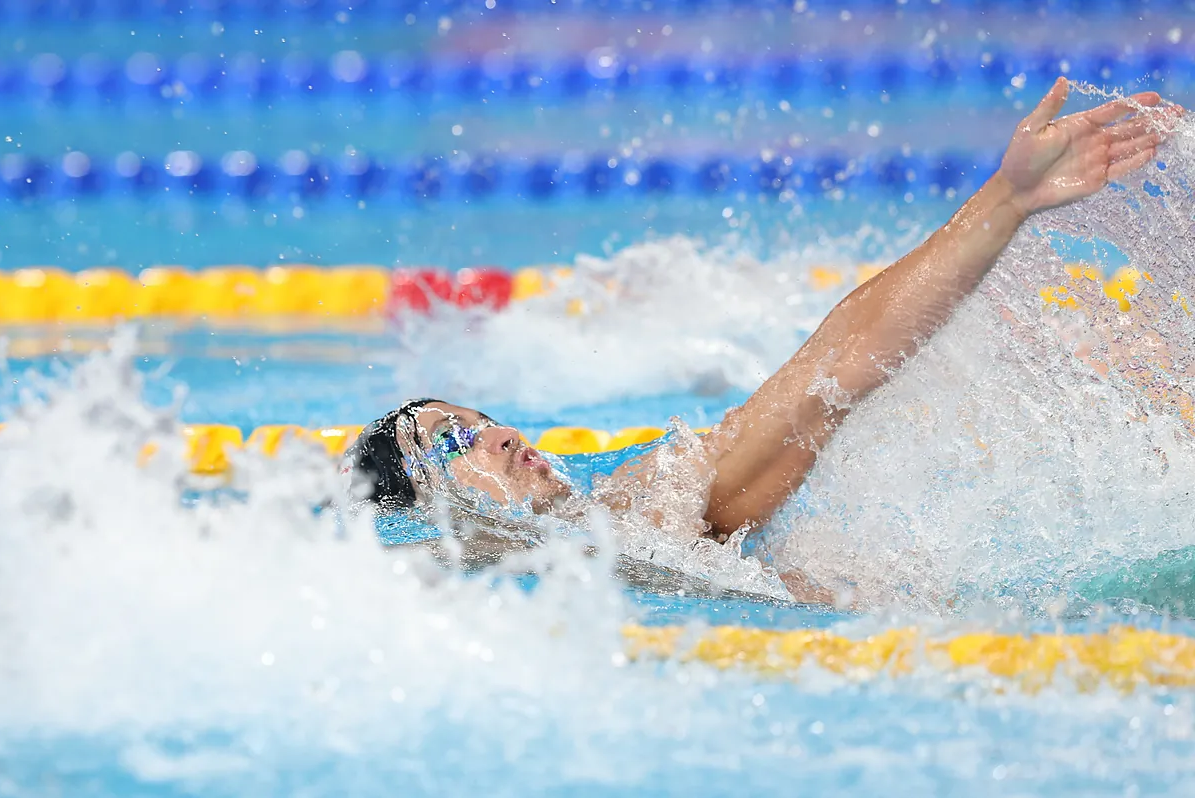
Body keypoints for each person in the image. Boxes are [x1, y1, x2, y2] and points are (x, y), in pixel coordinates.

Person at [344, 79, 1180, 604]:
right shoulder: (531, 564)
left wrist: (1004, 201)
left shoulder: (642, 504)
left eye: (480, 415)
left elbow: (835, 368)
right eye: (454, 440)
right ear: (430, 504)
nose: (499, 433)